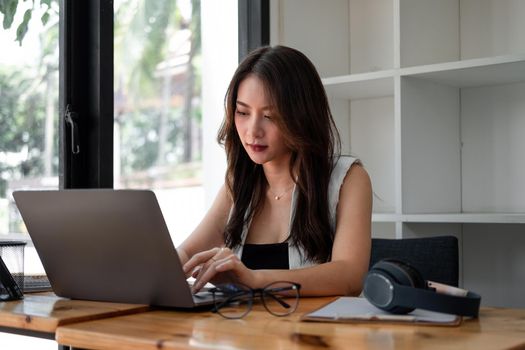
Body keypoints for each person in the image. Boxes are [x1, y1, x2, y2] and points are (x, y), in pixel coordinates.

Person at [178, 45, 372, 296]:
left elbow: (349, 276)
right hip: (244, 332)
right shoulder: (238, 183)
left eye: (270, 116)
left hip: (315, 332)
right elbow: (186, 254)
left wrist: (254, 280)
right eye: (243, 112)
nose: (252, 130)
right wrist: (157, 266)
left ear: (301, 116)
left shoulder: (348, 179)